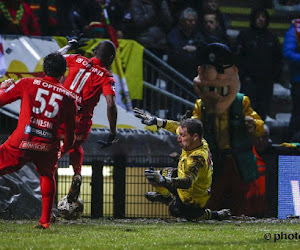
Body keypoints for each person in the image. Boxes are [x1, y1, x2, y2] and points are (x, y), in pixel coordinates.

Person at [0, 52, 77, 229]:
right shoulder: (69, 98)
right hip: (48, 144)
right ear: (63, 73)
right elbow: (71, 134)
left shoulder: (27, 83)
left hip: (22, 141)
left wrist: (4, 87)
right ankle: (44, 221)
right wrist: (62, 150)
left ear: (44, 69)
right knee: (47, 175)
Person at [192, 43, 265, 216]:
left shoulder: (241, 102)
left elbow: (259, 125)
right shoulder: (201, 105)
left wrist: (253, 125)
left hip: (236, 159)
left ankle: (236, 218)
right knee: (213, 193)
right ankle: (211, 218)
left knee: (238, 194)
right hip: (213, 158)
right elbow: (194, 125)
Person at [133, 110, 231, 221]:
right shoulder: (198, 140)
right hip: (184, 184)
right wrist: (156, 121)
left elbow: (188, 182)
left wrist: (164, 181)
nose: (178, 139)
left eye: (182, 136)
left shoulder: (197, 158)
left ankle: (214, 214)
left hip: (193, 201)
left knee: (175, 211)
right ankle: (165, 196)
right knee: (157, 176)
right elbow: (176, 126)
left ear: (195, 136)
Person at [58, 39, 118, 204]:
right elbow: (111, 105)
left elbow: (54, 58)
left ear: (94, 51)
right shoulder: (106, 77)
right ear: (111, 58)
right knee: (74, 145)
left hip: (59, 119)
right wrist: (112, 132)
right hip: (80, 125)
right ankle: (77, 173)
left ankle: (48, 210)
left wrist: (70, 45)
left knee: (51, 159)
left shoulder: (77, 59)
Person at [235, 7, 283, 121]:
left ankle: (260, 137)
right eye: (258, 17)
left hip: (266, 83)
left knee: (262, 113)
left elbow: (278, 59)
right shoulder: (244, 36)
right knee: (248, 113)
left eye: (263, 17)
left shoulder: (272, 37)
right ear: (253, 18)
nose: (261, 19)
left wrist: (274, 77)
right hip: (249, 81)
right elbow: (238, 58)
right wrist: (243, 76)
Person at [166, 7, 206, 80]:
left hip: (193, 72)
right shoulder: (174, 34)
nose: (193, 23)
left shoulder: (198, 34)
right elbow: (175, 50)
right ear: (182, 21)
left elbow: (203, 47)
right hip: (177, 72)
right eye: (190, 21)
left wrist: (195, 49)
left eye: (195, 20)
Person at [283, 18, 300, 139]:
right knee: (298, 113)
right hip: (298, 80)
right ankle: (293, 143)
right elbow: (288, 52)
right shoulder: (295, 29)